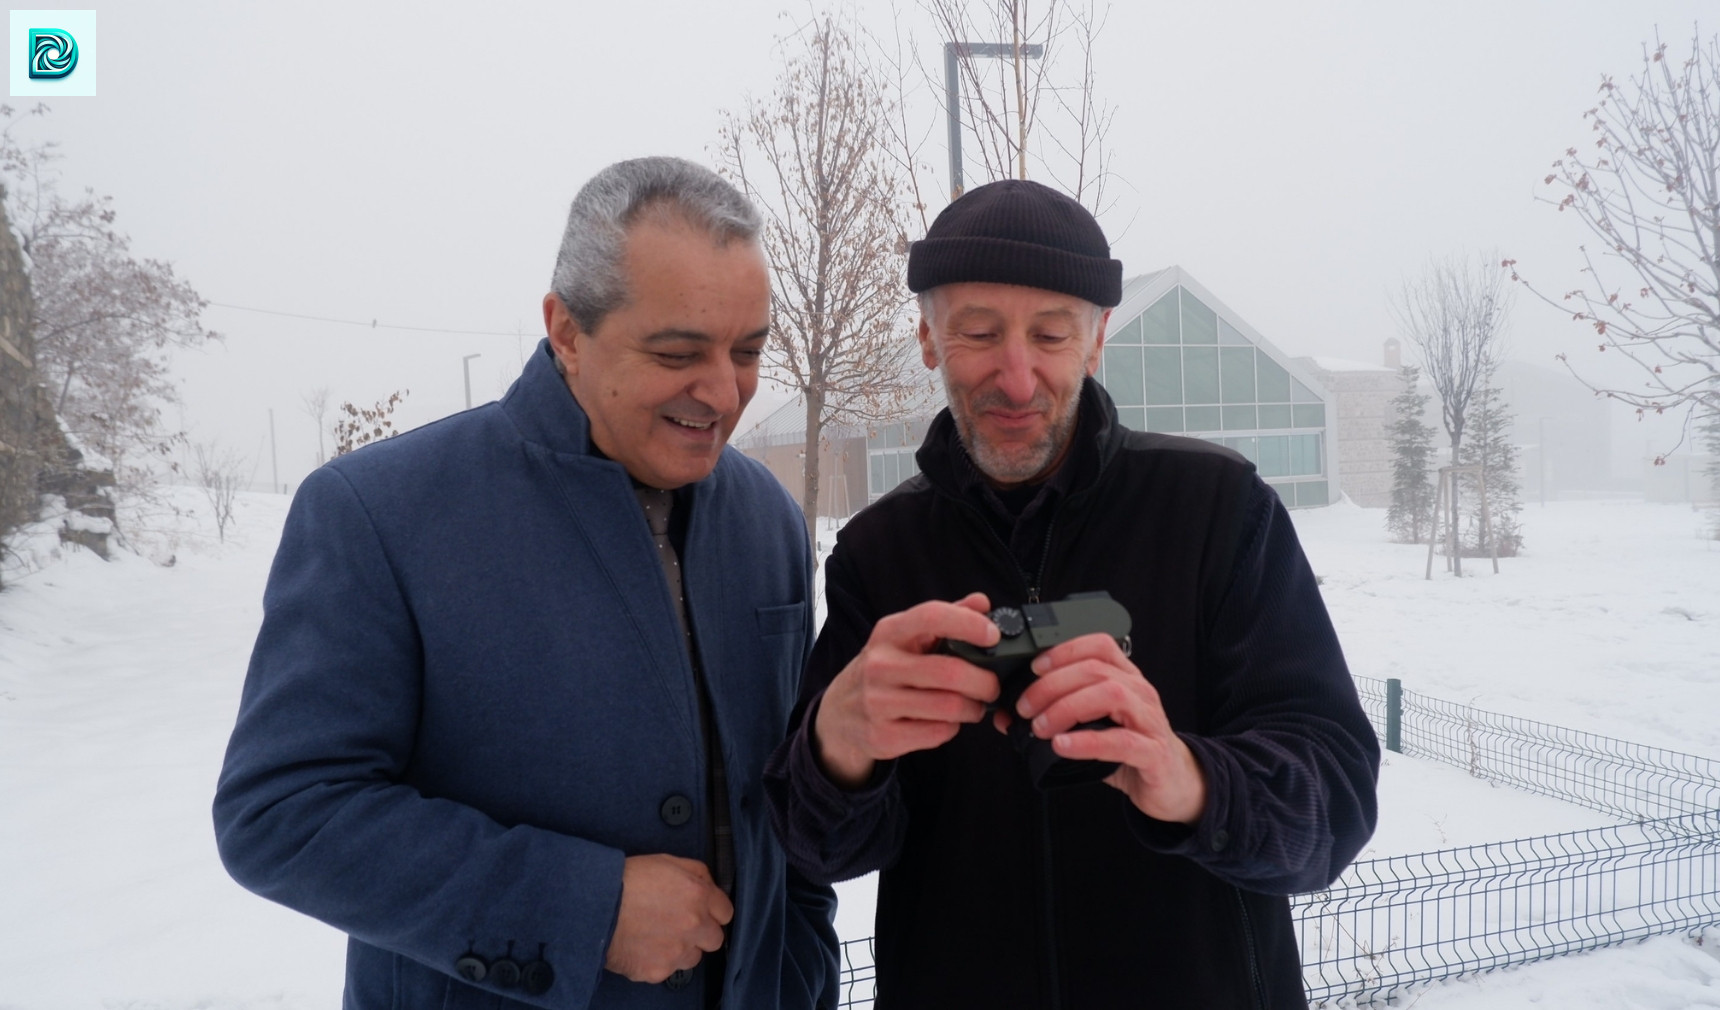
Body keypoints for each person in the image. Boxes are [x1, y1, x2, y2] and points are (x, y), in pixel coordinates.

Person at [214, 157, 839, 1010]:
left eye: (749, 350)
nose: (725, 392)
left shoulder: (767, 517)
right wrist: (584, 909)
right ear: (567, 331)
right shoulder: (378, 513)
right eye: (678, 352)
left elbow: (779, 800)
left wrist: (800, 969)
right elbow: (281, 812)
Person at [763, 179, 1379, 1009]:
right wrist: (836, 750)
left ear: (1096, 342)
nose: (1017, 379)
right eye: (978, 333)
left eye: (1051, 334)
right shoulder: (880, 552)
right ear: (928, 340)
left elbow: (1335, 803)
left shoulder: (1217, 510)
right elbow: (818, 848)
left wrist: (1190, 779)